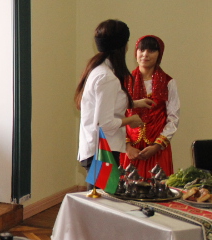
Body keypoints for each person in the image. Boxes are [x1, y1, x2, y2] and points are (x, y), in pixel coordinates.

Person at [74, 19, 153, 187]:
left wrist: (135, 103)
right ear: (122, 46)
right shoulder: (107, 77)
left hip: (99, 149)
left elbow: (108, 104)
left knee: (100, 203)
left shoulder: (99, 69)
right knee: (101, 205)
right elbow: (104, 123)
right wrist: (131, 120)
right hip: (103, 152)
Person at [120, 35, 179, 179]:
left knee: (158, 191)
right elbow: (118, 115)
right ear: (136, 52)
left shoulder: (168, 82)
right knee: (126, 190)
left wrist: (158, 146)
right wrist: (127, 146)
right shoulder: (125, 80)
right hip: (130, 150)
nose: (145, 54)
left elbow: (173, 118)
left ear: (160, 54)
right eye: (142, 49)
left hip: (157, 149)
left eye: (151, 51)